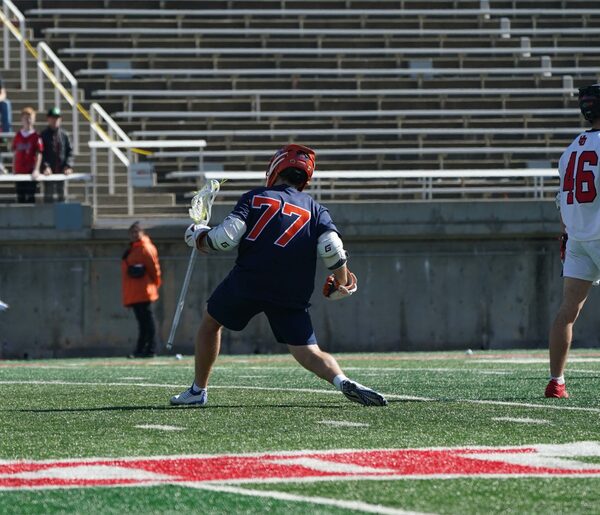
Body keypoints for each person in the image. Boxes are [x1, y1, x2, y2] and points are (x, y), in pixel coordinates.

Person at [170, 144, 387, 407]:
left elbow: (225, 239)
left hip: (250, 280)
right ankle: (342, 380)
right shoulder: (316, 209)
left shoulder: (255, 197)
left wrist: (199, 237)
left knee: (211, 323)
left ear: (276, 168)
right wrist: (342, 282)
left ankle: (197, 390)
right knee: (308, 351)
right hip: (291, 288)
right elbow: (332, 249)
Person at [547, 83, 600, 399]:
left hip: (578, 236)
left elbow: (562, 198)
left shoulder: (571, 149)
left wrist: (570, 231)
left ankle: (556, 381)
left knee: (568, 309)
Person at [122, 222, 162, 358]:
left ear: (142, 233)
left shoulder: (145, 248)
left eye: (136, 232)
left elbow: (154, 268)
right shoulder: (134, 248)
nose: (134, 235)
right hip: (135, 292)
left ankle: (148, 349)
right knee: (143, 323)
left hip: (144, 291)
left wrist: (155, 284)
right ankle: (143, 350)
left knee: (147, 323)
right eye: (132, 232)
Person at [40, 107, 74, 203]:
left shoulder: (65, 135)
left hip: (61, 172)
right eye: (52, 118)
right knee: (48, 197)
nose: (55, 120)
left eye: (57, 118)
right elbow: (41, 153)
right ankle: (47, 217)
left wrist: (68, 166)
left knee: (62, 197)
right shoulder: (43, 135)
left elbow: (70, 152)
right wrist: (45, 167)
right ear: (48, 119)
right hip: (48, 173)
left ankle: (64, 217)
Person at [12, 107, 43, 204]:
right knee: (20, 198)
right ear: (21, 120)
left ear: (34, 119)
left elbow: (39, 153)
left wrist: (36, 169)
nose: (28, 120)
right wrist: (13, 167)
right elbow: (15, 152)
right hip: (19, 171)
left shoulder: (36, 136)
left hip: (30, 173)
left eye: (30, 118)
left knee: (30, 198)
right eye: (25, 118)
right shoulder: (18, 135)